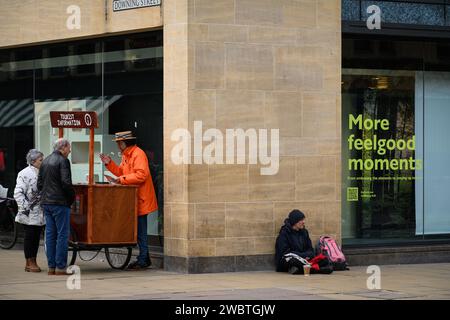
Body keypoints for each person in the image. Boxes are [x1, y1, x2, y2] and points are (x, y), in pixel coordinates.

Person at [99, 131, 158, 270]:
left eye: (119, 143)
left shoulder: (138, 153)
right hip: (133, 198)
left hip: (141, 198)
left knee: (141, 231)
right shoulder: (127, 154)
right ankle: (144, 257)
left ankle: (143, 259)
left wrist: (120, 180)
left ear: (124, 143)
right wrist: (109, 164)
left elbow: (141, 175)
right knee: (139, 230)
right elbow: (122, 172)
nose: (118, 145)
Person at [38, 139, 75, 275]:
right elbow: (66, 183)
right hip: (60, 203)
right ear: (63, 147)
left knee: (50, 234)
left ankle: (51, 267)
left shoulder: (46, 160)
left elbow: (39, 184)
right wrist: (71, 198)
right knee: (62, 235)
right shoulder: (63, 161)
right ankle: (60, 267)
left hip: (46, 203)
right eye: (69, 148)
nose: (70, 151)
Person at [14, 149, 45, 272]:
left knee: (36, 237)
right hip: (28, 211)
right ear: (33, 161)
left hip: (40, 211)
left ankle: (33, 260)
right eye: (40, 160)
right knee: (30, 236)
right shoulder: (24, 173)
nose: (43, 162)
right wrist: (25, 207)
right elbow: (18, 192)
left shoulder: (42, 172)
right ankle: (29, 261)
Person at [275, 209, 315, 274]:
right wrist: (302, 256)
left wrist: (305, 256)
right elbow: (286, 253)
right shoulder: (284, 233)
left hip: (304, 259)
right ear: (295, 222)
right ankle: (313, 269)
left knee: (324, 259)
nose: (303, 222)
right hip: (289, 260)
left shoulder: (304, 232)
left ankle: (299, 270)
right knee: (293, 261)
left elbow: (310, 249)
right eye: (301, 220)